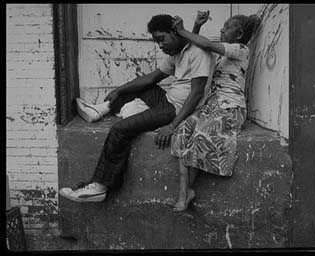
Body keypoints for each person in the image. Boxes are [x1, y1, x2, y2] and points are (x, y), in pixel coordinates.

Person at [59, 14, 215, 202]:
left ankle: (99, 187)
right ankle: (100, 109)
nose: (160, 45)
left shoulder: (199, 53)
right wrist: (117, 91)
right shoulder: (179, 52)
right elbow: (151, 78)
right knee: (141, 86)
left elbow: (197, 93)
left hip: (174, 110)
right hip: (167, 99)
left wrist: (173, 125)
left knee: (120, 129)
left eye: (161, 39)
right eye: (157, 42)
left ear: (175, 33)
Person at [170, 11, 261, 211]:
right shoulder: (221, 57)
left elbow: (207, 45)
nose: (221, 29)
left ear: (238, 35)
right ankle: (186, 191)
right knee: (182, 130)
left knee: (201, 135)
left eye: (227, 27)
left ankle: (184, 194)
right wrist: (196, 26)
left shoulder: (241, 49)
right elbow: (197, 47)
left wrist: (182, 30)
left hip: (230, 108)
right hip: (211, 106)